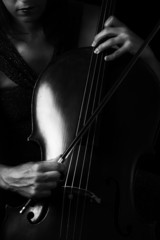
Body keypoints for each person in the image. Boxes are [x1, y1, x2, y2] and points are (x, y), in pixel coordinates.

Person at [0, 0, 160, 235]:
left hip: (107, 191)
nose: (24, 0)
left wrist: (149, 62)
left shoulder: (93, 23)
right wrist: (6, 177)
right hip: (25, 200)